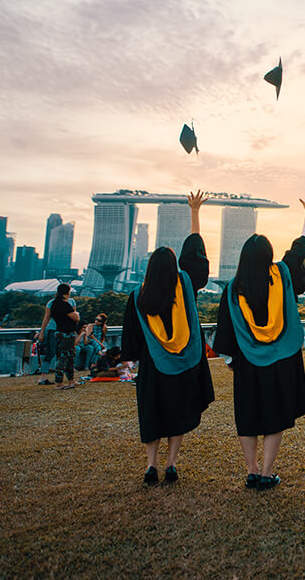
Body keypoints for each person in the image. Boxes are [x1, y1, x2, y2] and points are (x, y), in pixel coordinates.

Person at [212, 193, 305, 491]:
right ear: (270, 254)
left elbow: (225, 328)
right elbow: (301, 247)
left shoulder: (234, 288)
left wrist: (231, 359)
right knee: (275, 416)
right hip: (280, 359)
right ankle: (267, 473)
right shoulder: (282, 273)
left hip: (247, 361)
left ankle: (252, 470)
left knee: (248, 416)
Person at [121, 191, 215, 486]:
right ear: (175, 267)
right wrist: (195, 212)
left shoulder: (137, 296)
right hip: (184, 364)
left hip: (153, 366)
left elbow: (131, 338)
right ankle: (171, 464)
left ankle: (151, 465)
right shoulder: (185, 284)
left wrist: (133, 360)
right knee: (178, 413)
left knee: (153, 414)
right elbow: (195, 256)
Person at [38, 283, 81, 390]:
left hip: (59, 331)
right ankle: (57, 381)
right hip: (64, 332)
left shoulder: (56, 303)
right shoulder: (63, 304)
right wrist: (42, 332)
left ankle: (69, 380)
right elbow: (75, 317)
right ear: (67, 292)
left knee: (65, 356)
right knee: (62, 356)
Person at [36, 290, 73, 384]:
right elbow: (46, 318)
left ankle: (60, 378)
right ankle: (43, 377)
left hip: (63, 330)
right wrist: (42, 332)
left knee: (62, 354)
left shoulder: (71, 302)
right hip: (54, 330)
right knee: (51, 352)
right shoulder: (52, 303)